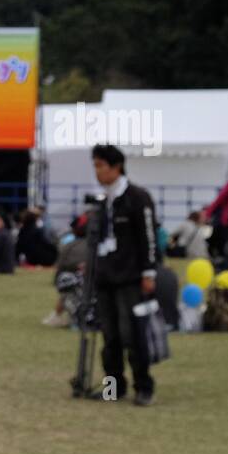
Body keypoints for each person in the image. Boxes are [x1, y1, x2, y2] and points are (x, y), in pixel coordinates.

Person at [90, 144, 159, 406]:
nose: (97, 172)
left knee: (133, 334)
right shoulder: (103, 200)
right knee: (110, 336)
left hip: (130, 277)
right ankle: (113, 386)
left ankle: (144, 386)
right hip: (105, 276)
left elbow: (148, 237)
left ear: (116, 167)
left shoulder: (137, 198)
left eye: (100, 166)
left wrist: (149, 271)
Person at [43, 214, 90, 327]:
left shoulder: (69, 246)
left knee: (68, 286)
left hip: (76, 286)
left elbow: (60, 269)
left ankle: (57, 316)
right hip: (93, 286)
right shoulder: (96, 246)